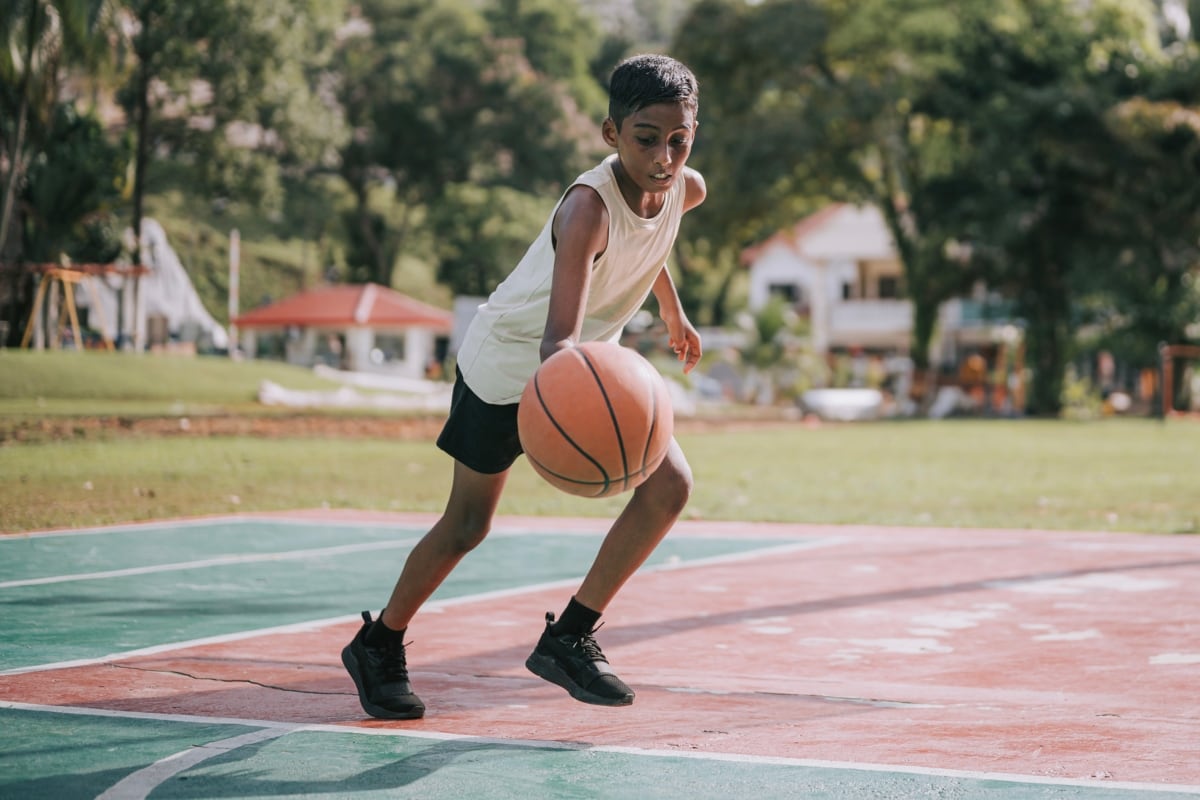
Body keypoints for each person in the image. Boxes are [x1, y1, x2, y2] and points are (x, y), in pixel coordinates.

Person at [342, 53, 705, 719]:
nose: (664, 155)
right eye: (646, 138)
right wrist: (582, 404)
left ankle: (569, 636)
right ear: (611, 134)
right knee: (466, 525)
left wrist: (672, 311)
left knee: (671, 488)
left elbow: (653, 241)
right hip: (511, 365)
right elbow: (556, 341)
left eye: (679, 139)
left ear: (694, 132)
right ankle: (379, 642)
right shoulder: (586, 211)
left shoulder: (685, 187)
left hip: (585, 367)